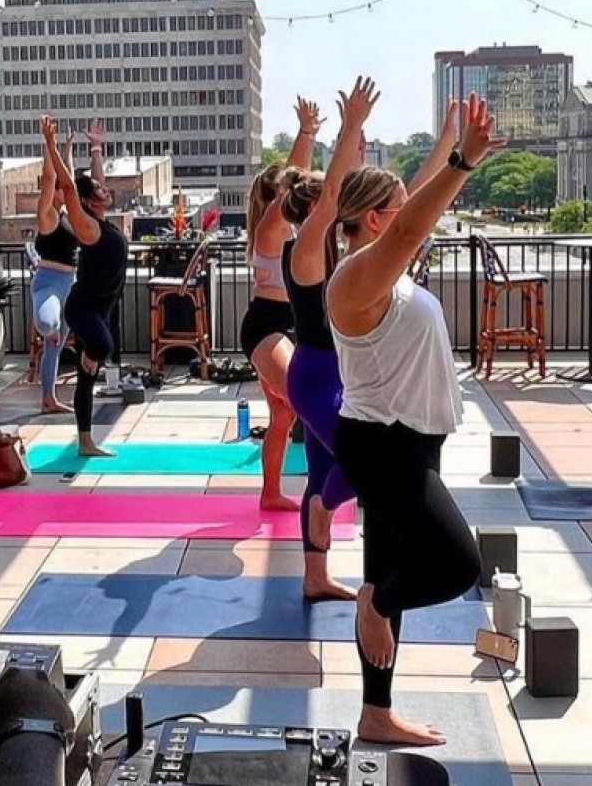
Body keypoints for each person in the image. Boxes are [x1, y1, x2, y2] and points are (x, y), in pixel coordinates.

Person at [327, 92, 502, 746]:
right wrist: (463, 160)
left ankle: (376, 713)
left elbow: (412, 217)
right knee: (455, 565)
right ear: (374, 220)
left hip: (410, 441)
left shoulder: (382, 265)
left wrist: (447, 150)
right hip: (383, 447)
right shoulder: (354, 280)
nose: (417, 221)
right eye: (399, 210)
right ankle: (377, 603)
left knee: (387, 566)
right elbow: (408, 228)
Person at [284, 79, 459, 603]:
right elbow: (338, 191)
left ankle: (315, 575)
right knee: (358, 467)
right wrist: (351, 126)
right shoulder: (308, 252)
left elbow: (413, 208)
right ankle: (322, 512)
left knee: (325, 470)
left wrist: (448, 144)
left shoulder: (357, 258)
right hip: (315, 376)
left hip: (340, 371)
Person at [240, 98, 324, 512]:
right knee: (304, 400)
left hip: (285, 325)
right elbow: (293, 180)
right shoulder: (270, 227)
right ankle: (326, 487)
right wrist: (306, 134)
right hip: (266, 328)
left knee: (283, 416)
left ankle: (270, 493)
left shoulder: (287, 229)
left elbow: (296, 183)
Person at [41, 116, 127, 458]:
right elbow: (69, 187)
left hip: (103, 307)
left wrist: (95, 147)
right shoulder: (87, 226)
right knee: (102, 347)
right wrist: (50, 145)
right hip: (83, 307)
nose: (105, 189)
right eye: (100, 190)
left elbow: (94, 181)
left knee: (87, 378)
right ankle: (90, 361)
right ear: (92, 201)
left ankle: (85, 441)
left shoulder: (102, 221)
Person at [31, 121, 106, 414]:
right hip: (48, 283)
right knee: (49, 327)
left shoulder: (73, 215)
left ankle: (48, 399)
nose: (67, 186)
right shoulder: (48, 216)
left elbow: (72, 183)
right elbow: (51, 179)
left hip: (69, 286)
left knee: (57, 345)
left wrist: (70, 148)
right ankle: (46, 331)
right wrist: (49, 146)